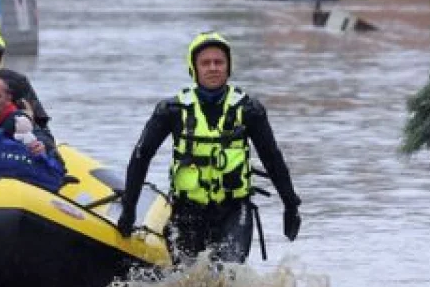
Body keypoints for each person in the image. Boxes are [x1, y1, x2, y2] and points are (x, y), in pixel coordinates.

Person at [116, 32, 302, 264]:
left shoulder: (250, 110)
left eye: (219, 62)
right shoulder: (171, 111)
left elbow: (272, 158)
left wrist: (290, 205)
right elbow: (141, 156)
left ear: (228, 67)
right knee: (188, 279)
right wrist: (129, 208)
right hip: (187, 212)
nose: (213, 68)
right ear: (194, 68)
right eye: (205, 63)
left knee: (227, 272)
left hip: (233, 210)